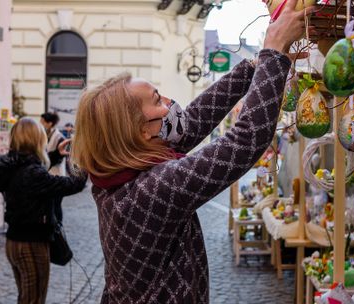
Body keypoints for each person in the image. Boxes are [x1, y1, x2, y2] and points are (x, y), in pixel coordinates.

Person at [71, 0, 311, 302]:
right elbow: (244, 142)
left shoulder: (121, 173)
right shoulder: (149, 191)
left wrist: (255, 67)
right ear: (141, 131)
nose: (170, 103)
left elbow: (190, 124)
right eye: (157, 99)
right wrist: (273, 52)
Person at [0, 117, 87, 304]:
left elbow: (29, 173)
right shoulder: (32, 174)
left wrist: (56, 156)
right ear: (37, 139)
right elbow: (72, 184)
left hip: (14, 242)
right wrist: (83, 163)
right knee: (34, 300)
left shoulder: (11, 168)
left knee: (26, 298)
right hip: (32, 244)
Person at [40, 112, 67, 222]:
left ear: (49, 123)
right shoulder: (45, 135)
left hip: (57, 175)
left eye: (42, 122)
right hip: (49, 175)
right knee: (50, 205)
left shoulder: (59, 137)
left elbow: (59, 158)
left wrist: (45, 160)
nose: (40, 124)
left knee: (56, 204)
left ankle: (58, 227)